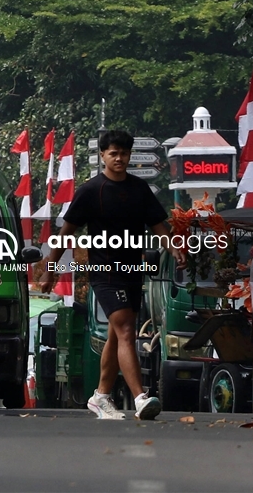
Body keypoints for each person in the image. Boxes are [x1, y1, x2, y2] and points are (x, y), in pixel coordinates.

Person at [38, 130, 181, 420]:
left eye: (124, 153)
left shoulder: (140, 190)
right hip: (104, 272)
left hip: (131, 272)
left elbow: (158, 226)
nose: (119, 158)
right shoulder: (91, 191)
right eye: (113, 153)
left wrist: (176, 249)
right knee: (127, 329)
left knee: (118, 336)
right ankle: (141, 398)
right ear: (102, 155)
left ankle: (100, 396)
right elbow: (65, 233)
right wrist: (50, 271)